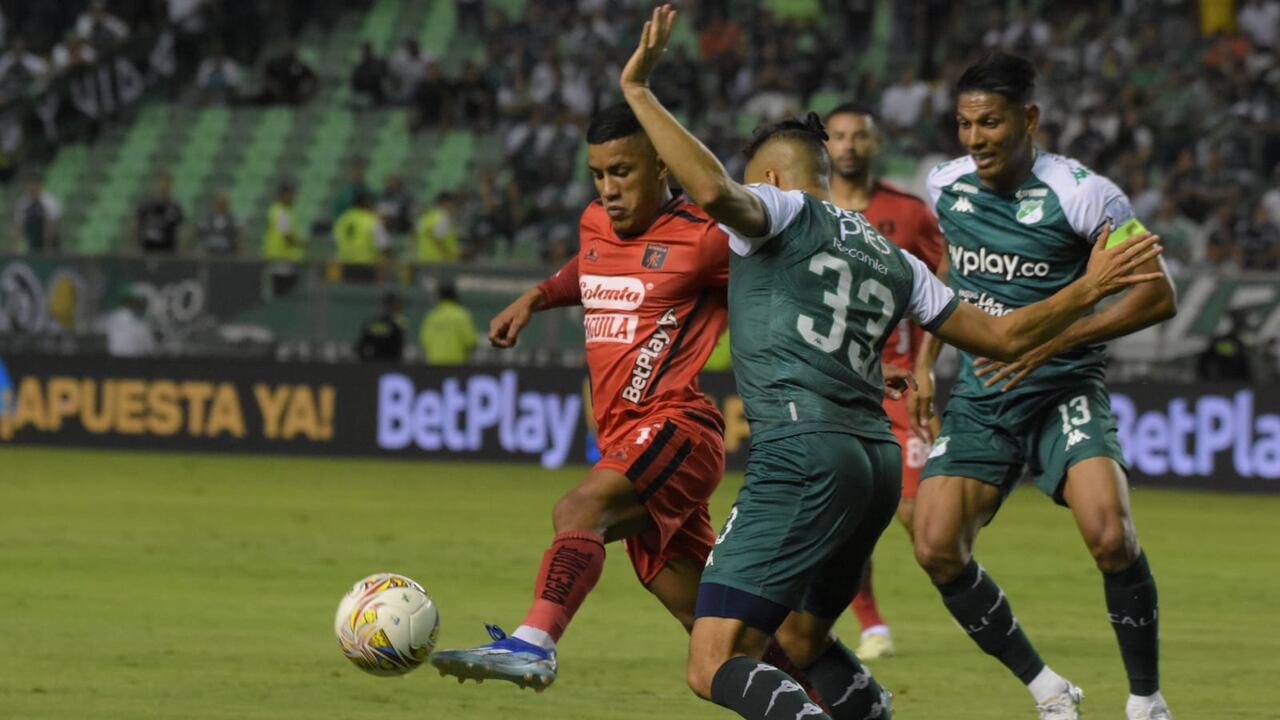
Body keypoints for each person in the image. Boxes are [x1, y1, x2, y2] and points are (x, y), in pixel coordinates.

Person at [616, 8, 1163, 720]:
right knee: (802, 635)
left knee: (713, 661)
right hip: (873, 464)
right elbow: (997, 338)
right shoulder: (889, 252)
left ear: (777, 178)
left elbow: (718, 191)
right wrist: (1087, 288)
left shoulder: (780, 210)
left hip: (799, 453)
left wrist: (639, 90)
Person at [430, 100, 761, 692]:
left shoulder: (705, 241)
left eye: (622, 172)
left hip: (676, 427)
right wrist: (534, 298)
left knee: (577, 511)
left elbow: (788, 285)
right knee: (715, 631)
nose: (607, 189)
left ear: (661, 165)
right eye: (598, 175)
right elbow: (587, 268)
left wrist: (854, 360)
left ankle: (533, 643)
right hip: (626, 440)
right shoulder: (594, 224)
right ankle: (836, 694)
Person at [910, 52, 1178, 720]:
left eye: (990, 123)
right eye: (966, 124)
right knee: (935, 546)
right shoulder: (945, 184)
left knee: (1111, 535)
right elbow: (950, 269)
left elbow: (1158, 295)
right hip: (981, 394)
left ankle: (1147, 700)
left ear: (1028, 119)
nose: (975, 140)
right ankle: (1047, 688)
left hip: (1064, 388)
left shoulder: (1087, 194)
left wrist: (1049, 345)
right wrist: (924, 362)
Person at [824, 102, 944, 661]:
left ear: (875, 145)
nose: (848, 145)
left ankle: (967, 592)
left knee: (919, 524)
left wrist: (926, 361)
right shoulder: (808, 211)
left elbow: (946, 279)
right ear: (825, 145)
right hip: (836, 388)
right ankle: (869, 623)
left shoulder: (909, 212)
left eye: (858, 136)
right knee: (844, 516)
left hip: (899, 392)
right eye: (838, 136)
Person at [419, 282, 476, 365]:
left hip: (434, 365)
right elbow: (471, 341)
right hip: (457, 365)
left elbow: (424, 342)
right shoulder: (462, 315)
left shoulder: (432, 316)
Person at [135, 174, 183, 254]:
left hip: (168, 253)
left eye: (165, 185)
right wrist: (136, 247)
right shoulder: (145, 206)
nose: (162, 188)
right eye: (160, 185)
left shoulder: (175, 207)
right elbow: (137, 227)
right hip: (147, 252)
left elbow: (182, 230)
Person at [13, 177, 62, 254]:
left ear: (39, 187)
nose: (31, 192)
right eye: (29, 190)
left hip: (49, 242)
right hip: (32, 241)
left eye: (34, 190)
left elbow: (53, 225)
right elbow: (19, 224)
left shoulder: (50, 202)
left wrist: (48, 245)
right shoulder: (22, 203)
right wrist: (17, 245)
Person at [356, 292, 406, 362]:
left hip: (372, 364)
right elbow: (400, 349)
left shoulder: (371, 324)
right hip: (391, 365)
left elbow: (360, 348)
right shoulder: (396, 326)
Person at [196, 191, 240, 256]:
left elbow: (235, 236)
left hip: (227, 253)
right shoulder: (208, 218)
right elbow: (201, 232)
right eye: (220, 202)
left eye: (223, 202)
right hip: (210, 252)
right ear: (215, 203)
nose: (221, 205)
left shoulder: (232, 220)